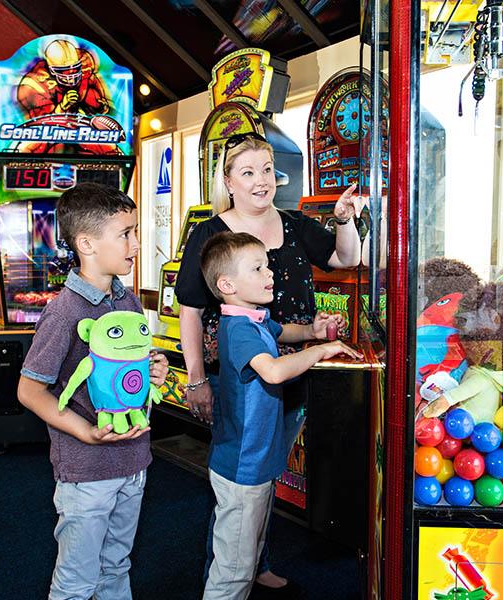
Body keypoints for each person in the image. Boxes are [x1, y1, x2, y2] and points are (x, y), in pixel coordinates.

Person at [176, 132, 363, 595]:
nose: (261, 181)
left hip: (291, 369)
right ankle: (229, 575)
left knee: (265, 475)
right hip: (242, 374)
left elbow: (347, 258)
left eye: (266, 169)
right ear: (228, 181)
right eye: (247, 172)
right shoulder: (210, 233)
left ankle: (255, 562)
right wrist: (196, 378)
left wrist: (343, 220)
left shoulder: (294, 223)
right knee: (240, 484)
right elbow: (190, 310)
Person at [17, 182, 169, 600]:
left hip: (134, 458)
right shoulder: (64, 311)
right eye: (126, 233)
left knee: (117, 565)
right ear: (86, 243)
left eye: (135, 231)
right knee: (76, 580)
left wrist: (154, 369)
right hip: (86, 470)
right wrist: (83, 432)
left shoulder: (129, 302)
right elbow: (30, 391)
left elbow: (130, 369)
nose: (136, 243)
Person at [199, 231, 362, 600]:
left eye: (267, 264)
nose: (269, 273)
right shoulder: (239, 329)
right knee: (233, 570)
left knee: (250, 550)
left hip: (256, 461)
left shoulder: (253, 318)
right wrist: (322, 351)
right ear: (226, 284)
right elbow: (272, 371)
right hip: (242, 468)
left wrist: (311, 331)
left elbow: (279, 330)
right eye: (257, 268)